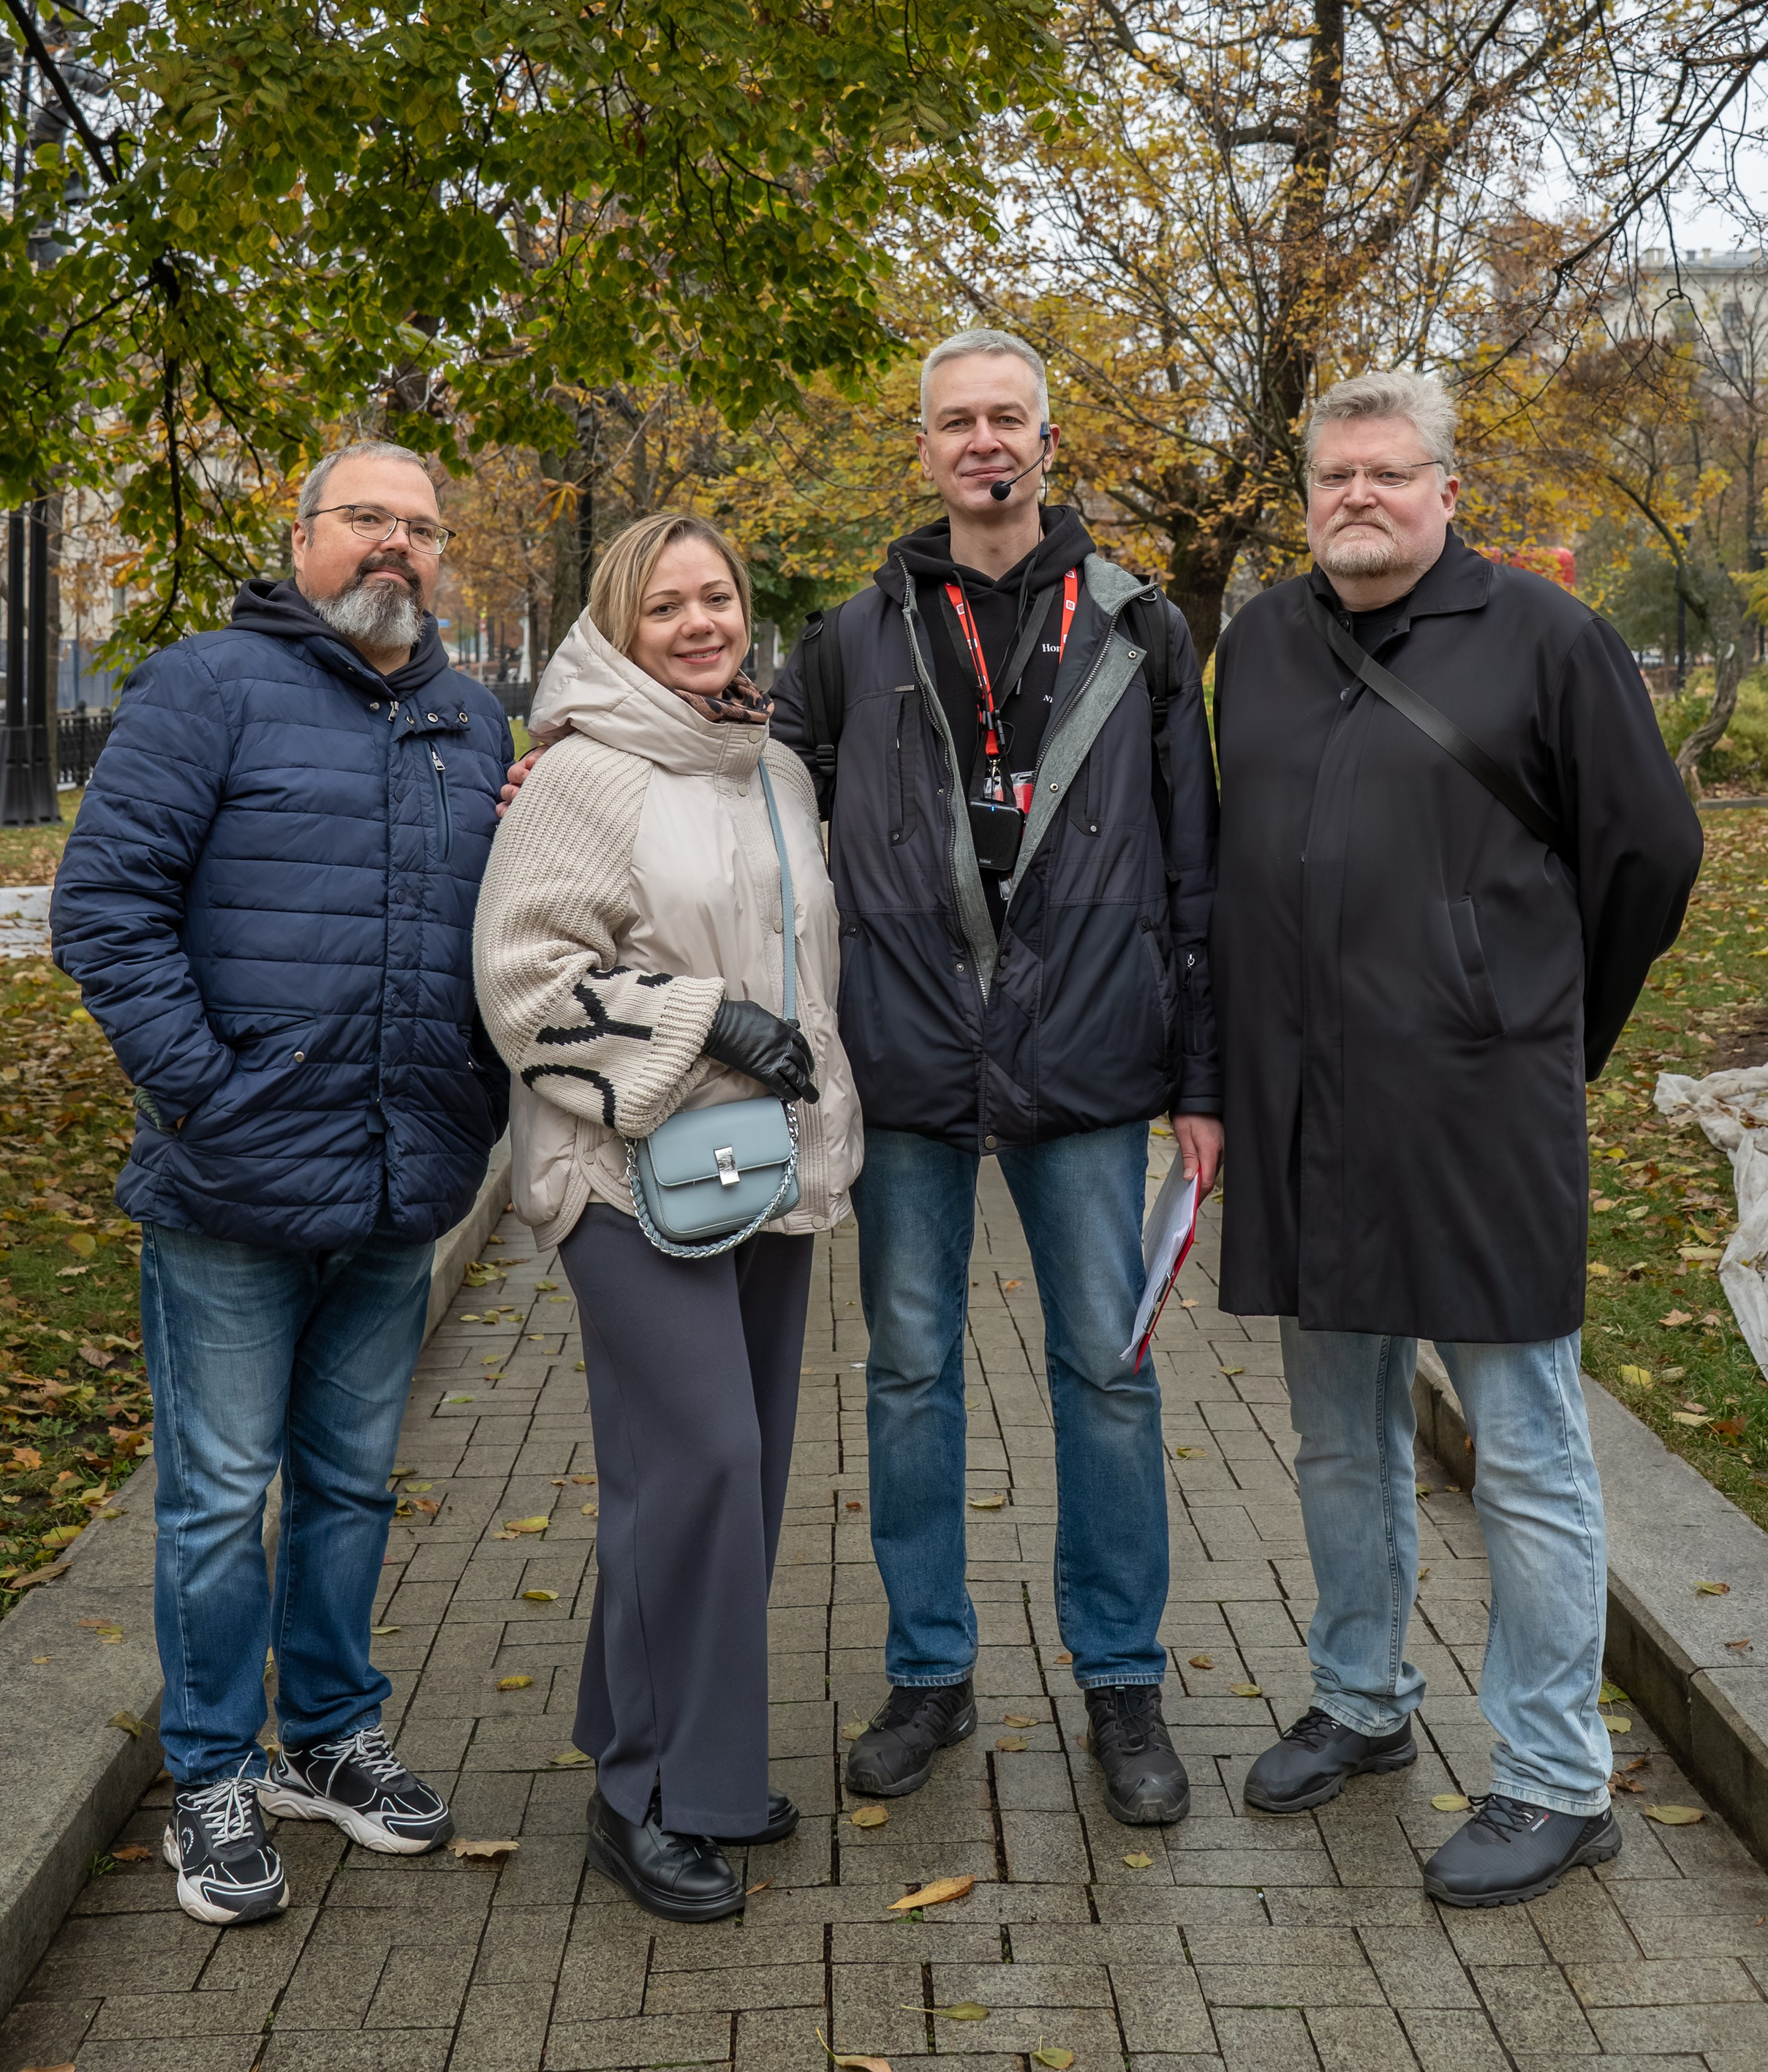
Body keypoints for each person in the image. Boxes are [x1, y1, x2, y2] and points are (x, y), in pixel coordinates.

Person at [1212, 369, 1702, 1908]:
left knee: (1528, 1453)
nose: (1356, 498)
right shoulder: (1262, 645)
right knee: (1334, 1435)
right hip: (1307, 1106)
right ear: (1303, 496)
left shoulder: (1546, 641)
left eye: (1386, 473)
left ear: (1444, 486)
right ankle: (1361, 1702)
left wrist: (1537, 1024)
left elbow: (1651, 855)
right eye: (1331, 477)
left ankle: (1554, 1777)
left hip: (1479, 1108)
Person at [50, 441, 512, 1926]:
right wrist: (206, 1090)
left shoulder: (471, 717)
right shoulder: (206, 686)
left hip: (399, 1176)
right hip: (232, 1189)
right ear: (302, 536)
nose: (397, 546)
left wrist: (471, 1095)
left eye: (420, 528)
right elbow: (105, 910)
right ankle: (211, 1778)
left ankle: (325, 1741)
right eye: (367, 519)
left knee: (348, 1487)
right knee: (214, 1500)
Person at [769, 327, 1224, 1827]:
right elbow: (753, 807)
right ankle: (927, 1673)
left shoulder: (1140, 627)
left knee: (1106, 1370)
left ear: (1046, 439)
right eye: (955, 422)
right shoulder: (849, 638)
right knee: (905, 1375)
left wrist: (1199, 1080)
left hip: (1088, 1058)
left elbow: (1199, 873)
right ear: (923, 451)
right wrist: (571, 750)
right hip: (902, 1055)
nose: (984, 443)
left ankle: (1120, 1681)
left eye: (1006, 419)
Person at [473, 511, 862, 1924]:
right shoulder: (585, 771)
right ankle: (635, 1795)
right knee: (690, 1459)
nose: (701, 624)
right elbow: (523, 980)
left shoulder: (770, 766)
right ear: (617, 623)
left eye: (720, 599)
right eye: (667, 606)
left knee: (739, 1475)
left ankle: (697, 1763)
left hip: (755, 1169)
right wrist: (706, 1020)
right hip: (619, 1170)